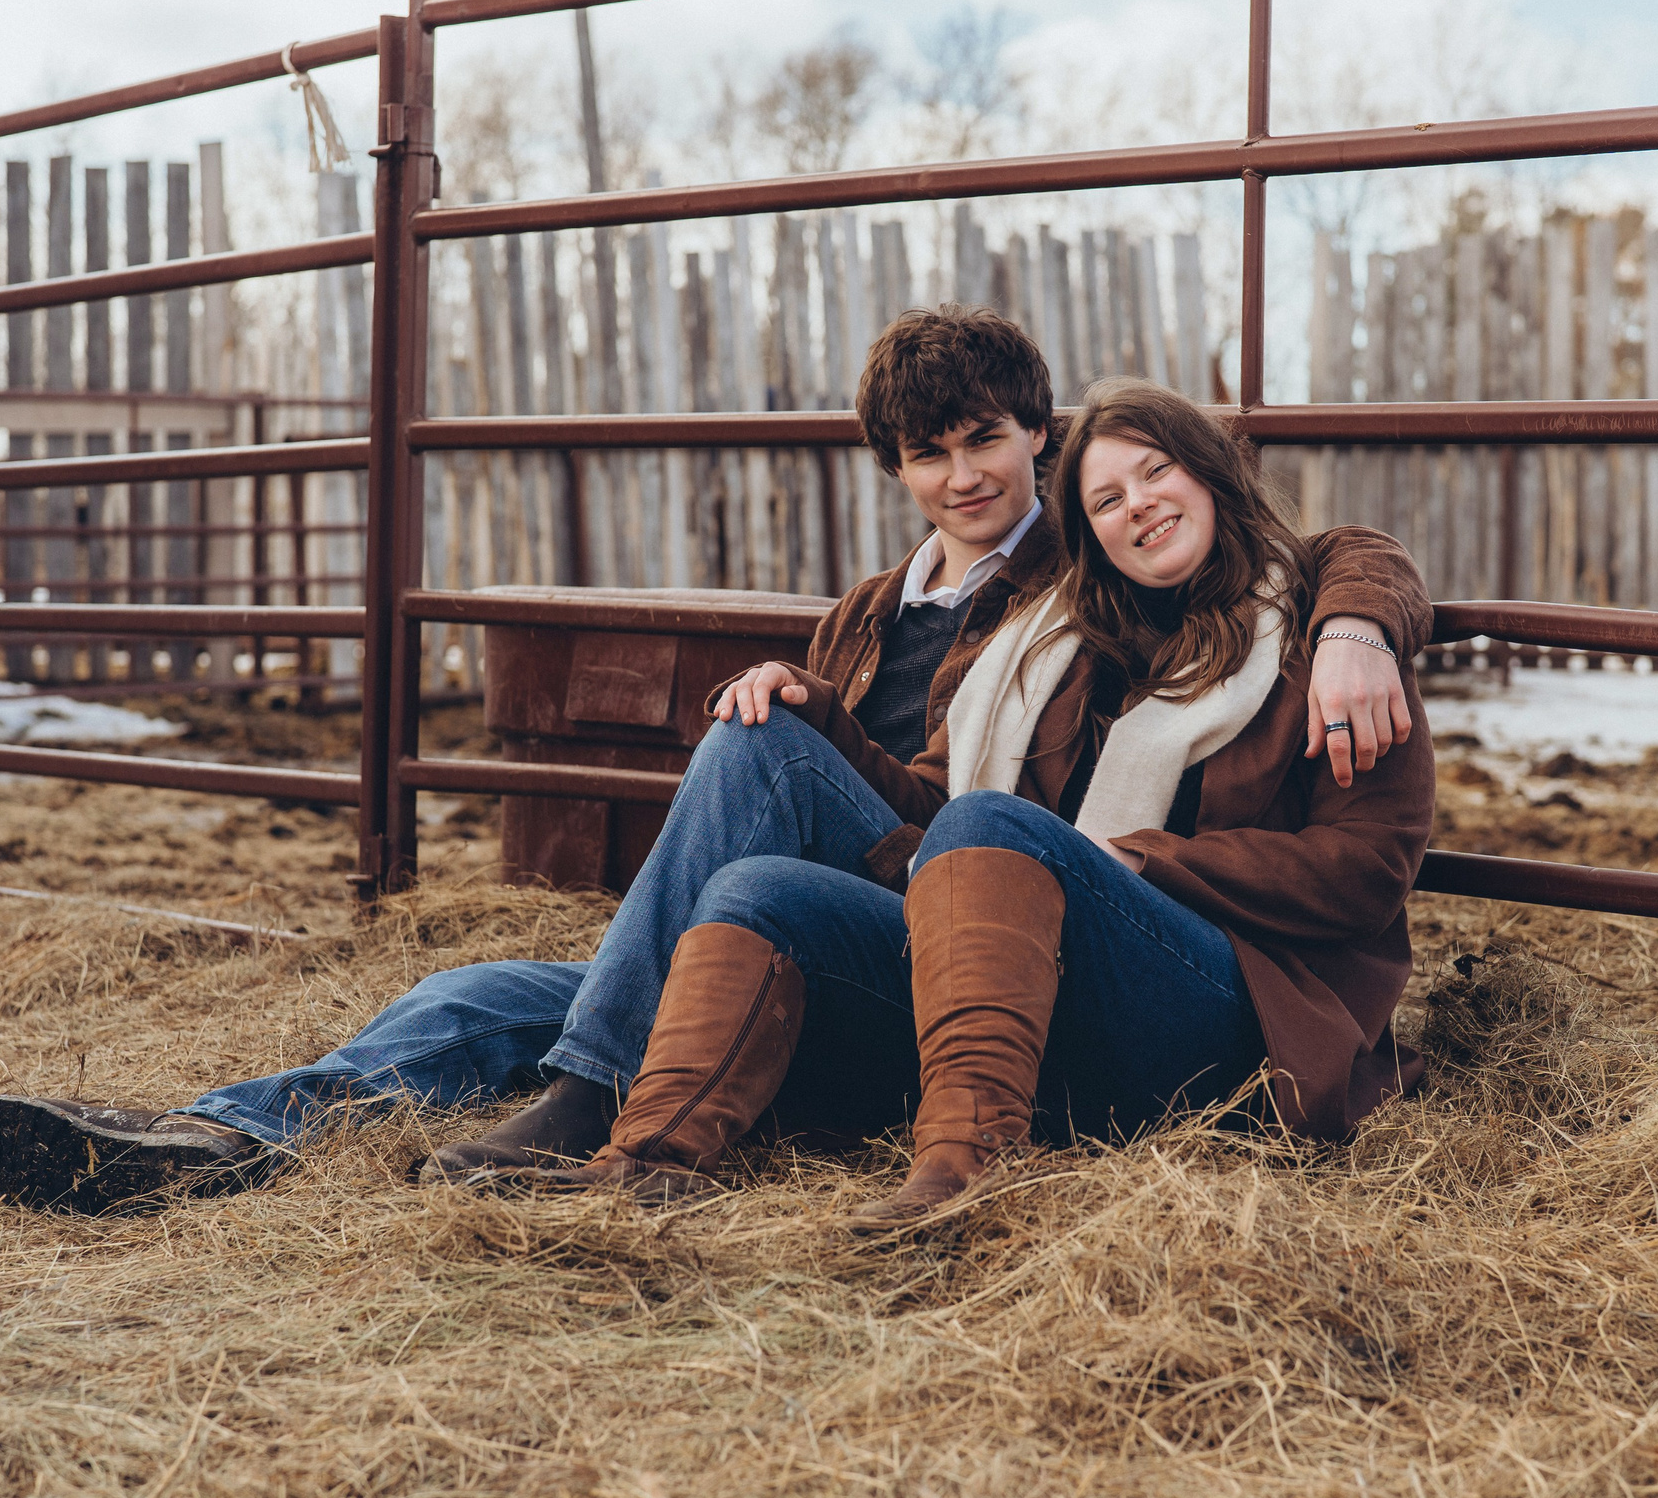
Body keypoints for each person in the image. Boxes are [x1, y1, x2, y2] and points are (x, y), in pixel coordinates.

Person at [0, 312, 1429, 1215]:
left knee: (761, 744)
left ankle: (598, 1089)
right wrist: (807, 693)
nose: (967, 473)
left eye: (991, 440)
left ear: (1037, 438)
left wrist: (1361, 614)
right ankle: (228, 1130)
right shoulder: (866, 611)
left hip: (976, 918)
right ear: (898, 471)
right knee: (473, 988)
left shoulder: (1090, 576)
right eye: (930, 453)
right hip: (839, 893)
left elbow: (1290, 550)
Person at [525, 377, 1435, 1221]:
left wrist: (1144, 860)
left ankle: (964, 1170)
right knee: (756, 888)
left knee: (989, 823)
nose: (1140, 505)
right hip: (1043, 1000)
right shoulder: (1058, 653)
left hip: (1230, 1012)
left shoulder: (1326, 646)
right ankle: (646, 1158)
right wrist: (822, 726)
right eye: (1106, 500)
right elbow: (936, 810)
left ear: (1211, 472)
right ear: (1089, 534)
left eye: (1157, 471)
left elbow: (1369, 870)